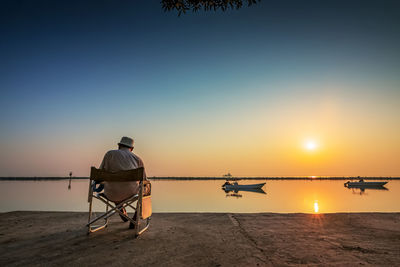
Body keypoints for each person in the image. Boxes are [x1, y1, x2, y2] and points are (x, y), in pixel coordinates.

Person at [99, 136, 150, 228]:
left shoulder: (109, 154)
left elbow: (100, 173)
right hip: (131, 193)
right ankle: (134, 220)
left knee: (115, 188)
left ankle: (121, 209)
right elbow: (144, 180)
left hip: (110, 194)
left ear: (119, 146)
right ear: (132, 149)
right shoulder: (137, 159)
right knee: (146, 188)